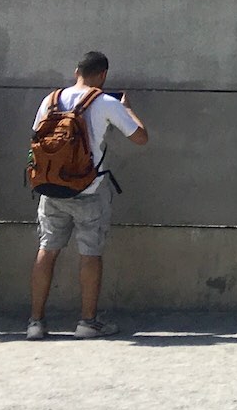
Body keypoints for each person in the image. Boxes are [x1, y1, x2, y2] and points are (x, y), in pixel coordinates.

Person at [28, 51, 149, 341]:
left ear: (76, 71)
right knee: (90, 255)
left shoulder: (51, 100)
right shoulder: (105, 102)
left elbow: (36, 137)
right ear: (103, 75)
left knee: (47, 250)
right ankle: (87, 322)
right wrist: (127, 109)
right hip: (89, 190)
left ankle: (35, 322)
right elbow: (141, 137)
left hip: (50, 188)